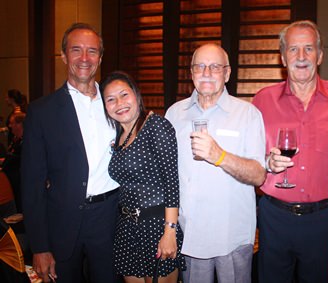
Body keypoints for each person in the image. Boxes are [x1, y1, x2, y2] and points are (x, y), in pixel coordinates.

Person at [252, 20, 328, 283]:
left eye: (309, 48)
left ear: (320, 55)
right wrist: (265, 161)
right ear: (283, 57)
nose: (301, 57)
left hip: (325, 218)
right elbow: (248, 156)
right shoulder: (261, 100)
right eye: (293, 50)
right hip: (274, 217)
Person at [21, 23, 121, 283]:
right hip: (62, 220)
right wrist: (40, 247)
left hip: (109, 217)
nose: (84, 58)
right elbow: (31, 185)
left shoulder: (118, 104)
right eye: (76, 50)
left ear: (100, 58)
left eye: (92, 51)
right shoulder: (41, 112)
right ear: (64, 55)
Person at [165, 43, 266, 283]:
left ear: (227, 73)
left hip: (232, 235)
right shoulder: (174, 114)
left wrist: (219, 155)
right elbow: (166, 175)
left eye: (215, 67)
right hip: (190, 234)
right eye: (200, 66)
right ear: (191, 73)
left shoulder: (248, 114)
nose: (207, 72)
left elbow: (259, 175)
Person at [100, 71, 184, 282]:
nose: (119, 103)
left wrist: (170, 232)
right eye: (110, 99)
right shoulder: (118, 136)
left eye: (124, 95)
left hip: (156, 225)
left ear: (136, 95)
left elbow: (172, 184)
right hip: (126, 228)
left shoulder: (156, 126)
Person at [1, 112, 26, 214]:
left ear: (20, 124)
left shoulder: (27, 141)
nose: (10, 126)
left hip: (20, 182)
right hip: (11, 182)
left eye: (12, 123)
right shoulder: (15, 140)